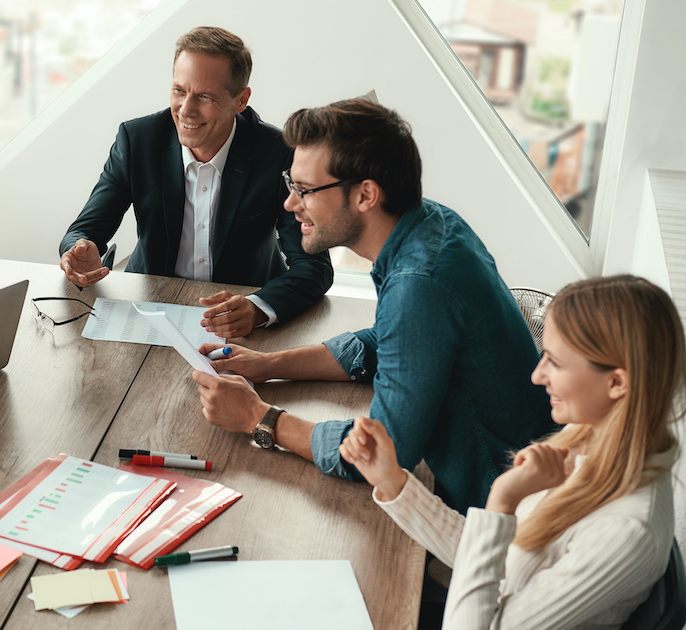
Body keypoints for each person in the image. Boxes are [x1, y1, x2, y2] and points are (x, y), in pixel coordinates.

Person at [193, 98, 555, 513]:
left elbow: (379, 453)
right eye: (290, 185)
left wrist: (260, 418)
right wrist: (269, 365)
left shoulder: (418, 285)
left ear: (366, 194)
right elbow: (389, 342)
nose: (291, 204)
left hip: (495, 512)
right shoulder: (433, 223)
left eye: (305, 190)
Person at [341, 275, 681, 628]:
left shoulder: (624, 533)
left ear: (616, 383)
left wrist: (503, 500)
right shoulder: (587, 443)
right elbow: (491, 560)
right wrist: (393, 482)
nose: (538, 374)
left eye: (555, 361)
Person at [59, 26, 332, 339]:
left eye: (204, 96)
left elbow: (314, 268)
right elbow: (83, 231)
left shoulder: (278, 153)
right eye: (179, 91)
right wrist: (80, 251)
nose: (186, 110)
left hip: (240, 313)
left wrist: (257, 307)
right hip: (149, 307)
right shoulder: (137, 141)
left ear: (241, 100)